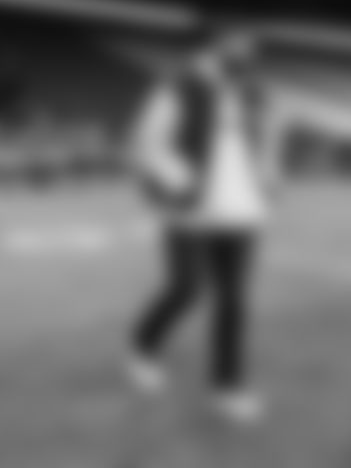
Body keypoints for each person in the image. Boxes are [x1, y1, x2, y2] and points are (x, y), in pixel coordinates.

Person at [126, 27, 281, 426]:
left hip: (242, 211)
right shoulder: (181, 83)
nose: (245, 49)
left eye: (250, 43)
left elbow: (266, 140)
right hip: (192, 210)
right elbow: (147, 141)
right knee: (186, 288)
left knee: (234, 301)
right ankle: (143, 344)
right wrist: (182, 180)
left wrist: (268, 176)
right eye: (237, 39)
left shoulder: (254, 90)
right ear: (217, 41)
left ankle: (228, 388)